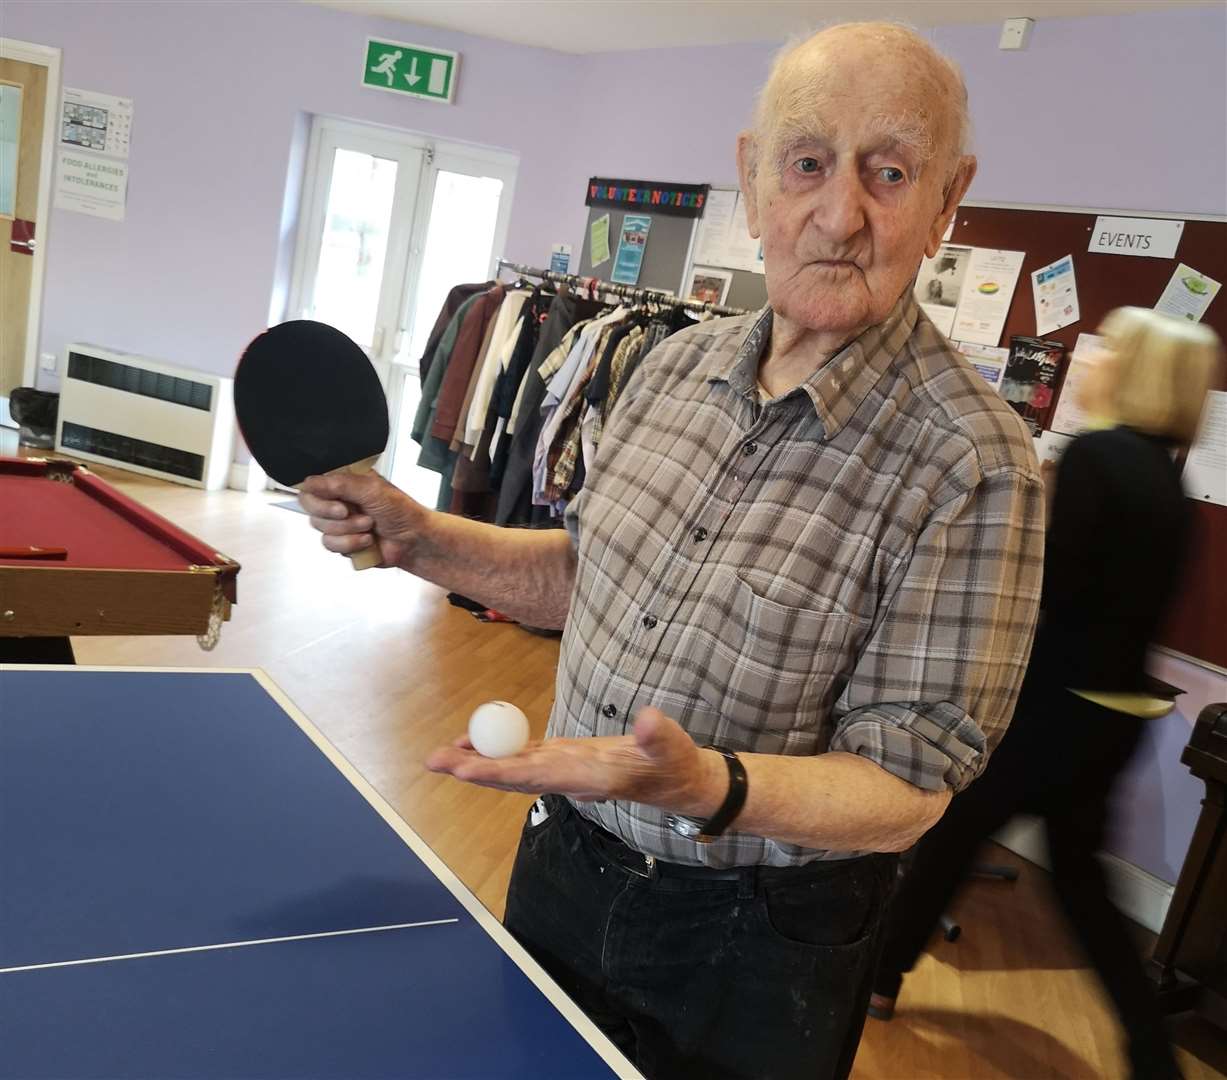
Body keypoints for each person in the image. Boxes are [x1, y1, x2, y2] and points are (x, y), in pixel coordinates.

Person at [299, 22, 1044, 1080]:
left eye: (889, 171)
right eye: (807, 163)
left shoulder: (977, 463)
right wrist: (421, 538)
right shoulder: (669, 368)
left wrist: (711, 787)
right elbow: (585, 575)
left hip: (755, 941)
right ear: (751, 176)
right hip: (564, 859)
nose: (842, 215)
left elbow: (909, 786)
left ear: (947, 200)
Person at [868, 308, 1223, 1080]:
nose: (1091, 363)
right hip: (1113, 714)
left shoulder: (1096, 456)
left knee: (950, 838)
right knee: (1079, 883)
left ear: (1134, 372)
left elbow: (1042, 590)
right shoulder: (1171, 480)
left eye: (1108, 354)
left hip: (1049, 709)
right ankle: (1148, 1051)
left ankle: (877, 978)